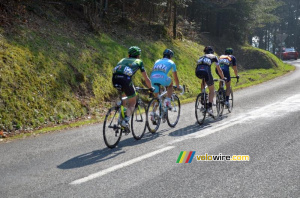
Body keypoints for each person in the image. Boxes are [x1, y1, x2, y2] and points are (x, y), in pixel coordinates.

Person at [112, 46, 153, 128]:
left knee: (124, 98)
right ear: (138, 55)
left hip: (115, 79)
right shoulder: (139, 61)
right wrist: (151, 88)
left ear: (129, 55)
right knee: (132, 102)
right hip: (125, 80)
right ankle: (126, 120)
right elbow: (146, 78)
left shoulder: (122, 60)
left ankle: (120, 114)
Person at [150, 49, 182, 121]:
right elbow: (175, 77)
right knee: (170, 84)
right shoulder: (171, 62)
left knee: (157, 98)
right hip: (162, 78)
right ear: (171, 56)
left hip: (152, 78)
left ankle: (153, 113)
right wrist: (177, 86)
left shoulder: (157, 61)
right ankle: (167, 100)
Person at [195, 46, 225, 116]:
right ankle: (209, 107)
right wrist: (223, 77)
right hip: (206, 72)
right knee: (212, 90)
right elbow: (219, 69)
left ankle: (203, 97)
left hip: (197, 72)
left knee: (203, 81)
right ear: (212, 52)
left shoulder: (201, 57)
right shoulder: (214, 57)